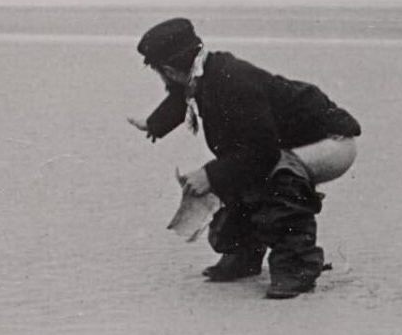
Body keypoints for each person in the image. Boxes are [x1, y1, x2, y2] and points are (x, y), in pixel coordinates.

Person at [128, 17, 361, 299]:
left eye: (160, 73)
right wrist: (155, 124)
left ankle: (297, 268)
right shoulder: (206, 74)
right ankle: (244, 256)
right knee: (237, 173)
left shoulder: (232, 81)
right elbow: (183, 96)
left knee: (273, 177)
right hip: (284, 144)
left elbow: (262, 152)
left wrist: (210, 175)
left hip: (332, 142)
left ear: (169, 70)